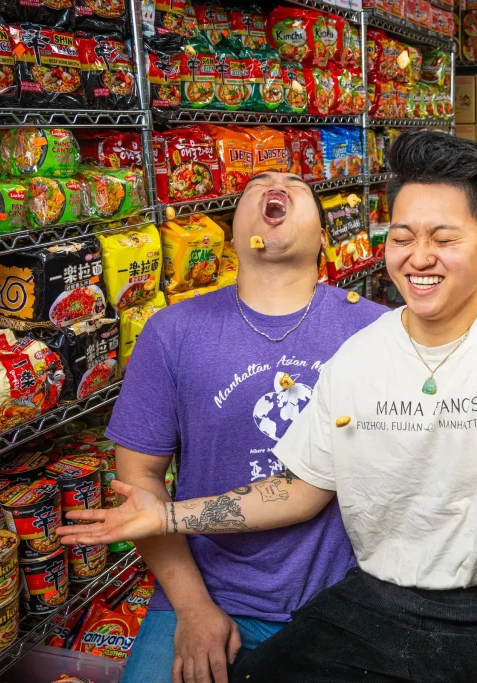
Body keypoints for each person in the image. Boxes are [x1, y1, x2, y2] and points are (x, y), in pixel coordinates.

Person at [59, 131, 477, 682]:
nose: (419, 257)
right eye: (403, 236)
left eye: (444, 238)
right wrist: (168, 515)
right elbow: (300, 490)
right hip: (376, 606)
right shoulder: (356, 354)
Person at [105, 171, 386, 683]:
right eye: (255, 185)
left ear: (325, 238)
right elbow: (139, 482)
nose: (274, 187)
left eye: (295, 186)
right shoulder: (171, 332)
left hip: (343, 602)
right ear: (231, 234)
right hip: (203, 593)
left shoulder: (374, 329)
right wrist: (193, 609)